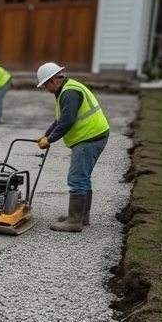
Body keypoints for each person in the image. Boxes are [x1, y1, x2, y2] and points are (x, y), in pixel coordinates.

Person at [35, 62, 110, 232]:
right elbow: (60, 119)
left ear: (54, 79)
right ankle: (82, 217)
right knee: (83, 176)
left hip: (89, 137)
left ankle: (74, 221)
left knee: (77, 178)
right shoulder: (67, 89)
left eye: (45, 85)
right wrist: (46, 135)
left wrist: (51, 139)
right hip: (93, 135)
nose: (46, 89)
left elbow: (67, 121)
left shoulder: (69, 92)